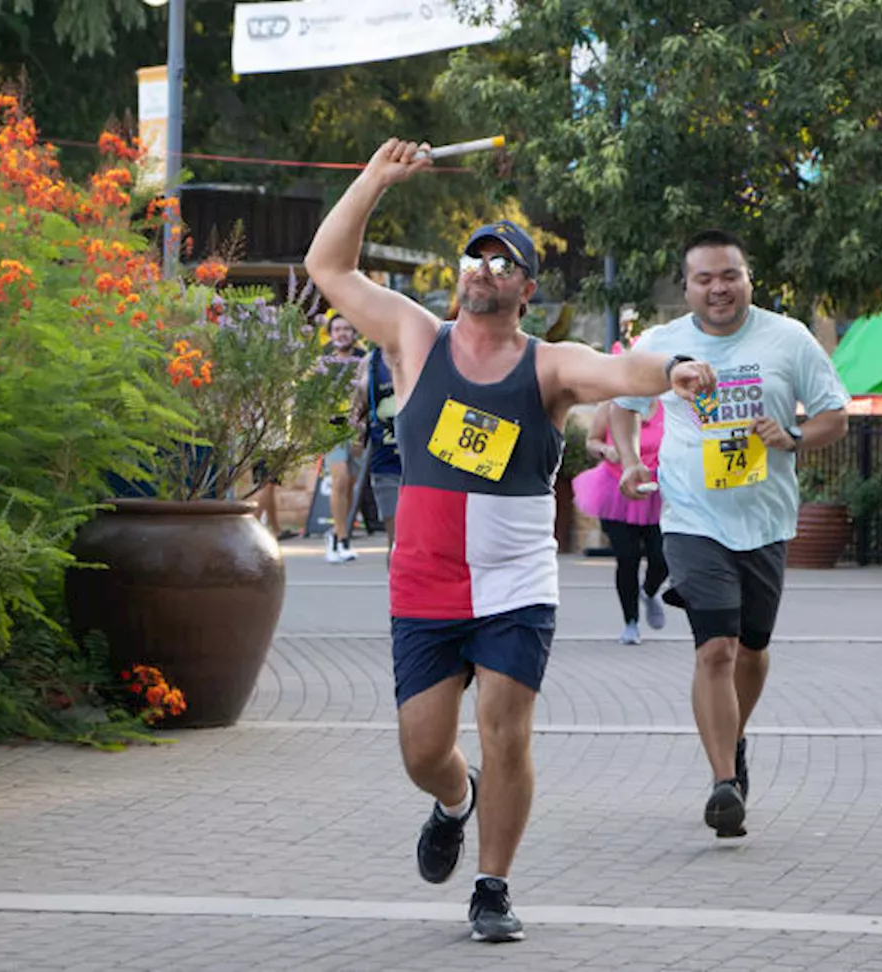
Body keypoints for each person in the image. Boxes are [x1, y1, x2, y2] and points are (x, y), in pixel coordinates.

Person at [304, 138, 717, 944]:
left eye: (502, 263)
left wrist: (676, 372)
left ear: (526, 288)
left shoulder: (548, 365)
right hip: (424, 580)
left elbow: (621, 371)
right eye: (475, 257)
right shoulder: (415, 338)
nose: (484, 270)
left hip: (515, 580)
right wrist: (373, 179)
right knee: (424, 749)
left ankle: (492, 887)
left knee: (505, 726)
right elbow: (328, 268)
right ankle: (456, 801)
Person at [610, 228, 849, 840]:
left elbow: (835, 415)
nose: (719, 288)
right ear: (686, 286)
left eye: (729, 275)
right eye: (704, 278)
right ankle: (724, 782)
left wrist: (793, 439)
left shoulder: (787, 338)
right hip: (691, 517)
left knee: (752, 648)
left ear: (747, 278)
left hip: (765, 519)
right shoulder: (664, 344)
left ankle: (734, 735)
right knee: (715, 647)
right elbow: (622, 400)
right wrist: (633, 459)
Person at [572, 394, 668, 644]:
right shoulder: (611, 404)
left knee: (662, 557)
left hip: (657, 492)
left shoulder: (667, 405)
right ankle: (631, 623)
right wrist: (606, 450)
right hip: (616, 489)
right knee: (628, 558)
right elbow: (591, 441)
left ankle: (649, 592)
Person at [320, 310, 368, 563]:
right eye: (338, 329)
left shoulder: (364, 359)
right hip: (333, 427)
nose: (342, 333)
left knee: (350, 483)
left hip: (358, 428)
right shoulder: (323, 360)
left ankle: (340, 531)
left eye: (347, 329)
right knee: (338, 479)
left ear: (354, 333)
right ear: (331, 334)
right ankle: (341, 539)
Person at [352, 344, 402, 564]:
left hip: (423, 463)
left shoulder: (425, 349)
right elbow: (357, 409)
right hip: (386, 460)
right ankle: (398, 595)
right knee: (396, 539)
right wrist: (357, 433)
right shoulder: (370, 362)